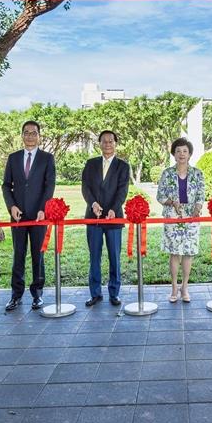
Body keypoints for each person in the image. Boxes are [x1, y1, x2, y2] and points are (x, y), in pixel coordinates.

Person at [2, 120, 56, 311]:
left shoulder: (47, 158)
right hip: (18, 216)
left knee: (37, 255)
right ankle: (16, 295)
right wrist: (11, 206)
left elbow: (49, 186)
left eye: (34, 133)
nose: (30, 136)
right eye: (27, 132)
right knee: (18, 255)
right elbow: (6, 185)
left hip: (39, 215)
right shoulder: (13, 158)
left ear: (39, 136)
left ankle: (37, 294)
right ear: (22, 135)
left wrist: (44, 208)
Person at [82, 130, 130, 307]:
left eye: (111, 141)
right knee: (94, 256)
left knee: (114, 257)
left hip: (114, 218)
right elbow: (85, 187)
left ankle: (114, 293)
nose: (108, 144)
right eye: (104, 141)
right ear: (99, 144)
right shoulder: (91, 164)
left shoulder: (123, 166)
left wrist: (113, 209)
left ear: (115, 143)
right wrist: (93, 203)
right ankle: (95, 293)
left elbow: (122, 191)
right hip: (93, 218)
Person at [156, 138, 205, 303]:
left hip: (192, 217)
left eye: (185, 151)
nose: (181, 154)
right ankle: (174, 287)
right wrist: (171, 202)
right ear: (174, 154)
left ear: (189, 154)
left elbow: (201, 195)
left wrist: (197, 209)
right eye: (178, 151)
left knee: (188, 253)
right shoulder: (167, 173)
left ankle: (185, 287)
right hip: (172, 217)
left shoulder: (197, 173)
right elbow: (160, 196)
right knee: (175, 253)